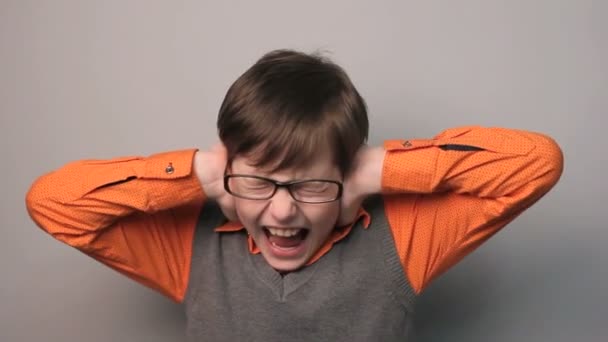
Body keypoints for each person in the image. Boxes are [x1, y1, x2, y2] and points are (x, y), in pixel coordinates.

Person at [26, 49, 564, 341]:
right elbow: (52, 202)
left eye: (310, 184)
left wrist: (374, 169)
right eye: (259, 181)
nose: (282, 210)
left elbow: (535, 163)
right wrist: (202, 174)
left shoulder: (403, 242)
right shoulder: (189, 248)